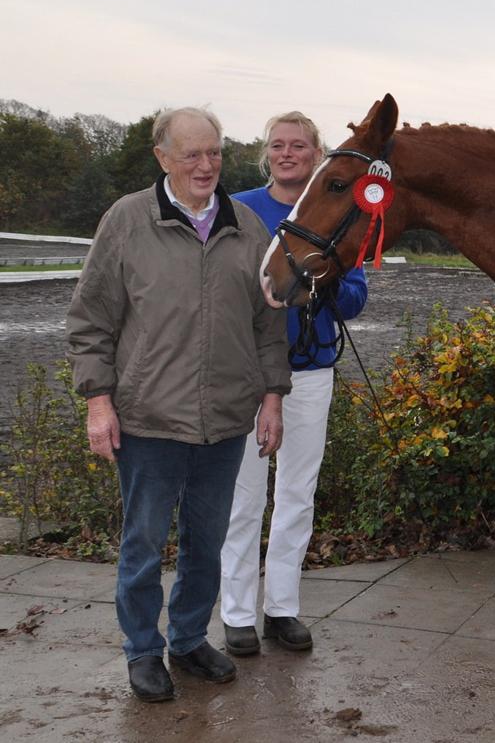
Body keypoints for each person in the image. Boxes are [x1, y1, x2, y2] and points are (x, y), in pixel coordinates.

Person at [67, 107, 291, 703]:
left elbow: (270, 325)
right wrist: (98, 403)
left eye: (214, 152)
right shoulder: (126, 221)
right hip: (148, 420)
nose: (205, 165)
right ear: (162, 158)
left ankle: (189, 639)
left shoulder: (247, 226)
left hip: (226, 420)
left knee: (207, 541)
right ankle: (143, 650)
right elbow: (91, 320)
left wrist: (271, 398)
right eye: (190, 154)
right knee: (142, 544)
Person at [219, 111, 368, 656]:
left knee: (296, 496)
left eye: (299, 146)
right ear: (267, 153)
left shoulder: (336, 210)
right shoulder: (237, 210)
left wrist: (324, 284)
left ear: (316, 154)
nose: (288, 154)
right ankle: (236, 613)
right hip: (246, 377)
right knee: (242, 498)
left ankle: (281, 607)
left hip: (310, 372)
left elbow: (355, 296)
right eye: (278, 145)